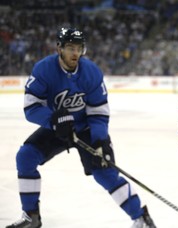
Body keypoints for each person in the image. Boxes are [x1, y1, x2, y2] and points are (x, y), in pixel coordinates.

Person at [6, 28, 156, 228]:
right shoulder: (43, 70)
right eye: (70, 48)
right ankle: (31, 216)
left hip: (86, 129)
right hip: (57, 128)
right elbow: (31, 108)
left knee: (105, 172)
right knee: (26, 157)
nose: (75, 53)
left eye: (79, 48)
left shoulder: (91, 72)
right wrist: (53, 120)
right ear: (59, 48)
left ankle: (141, 218)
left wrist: (100, 140)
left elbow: (99, 112)